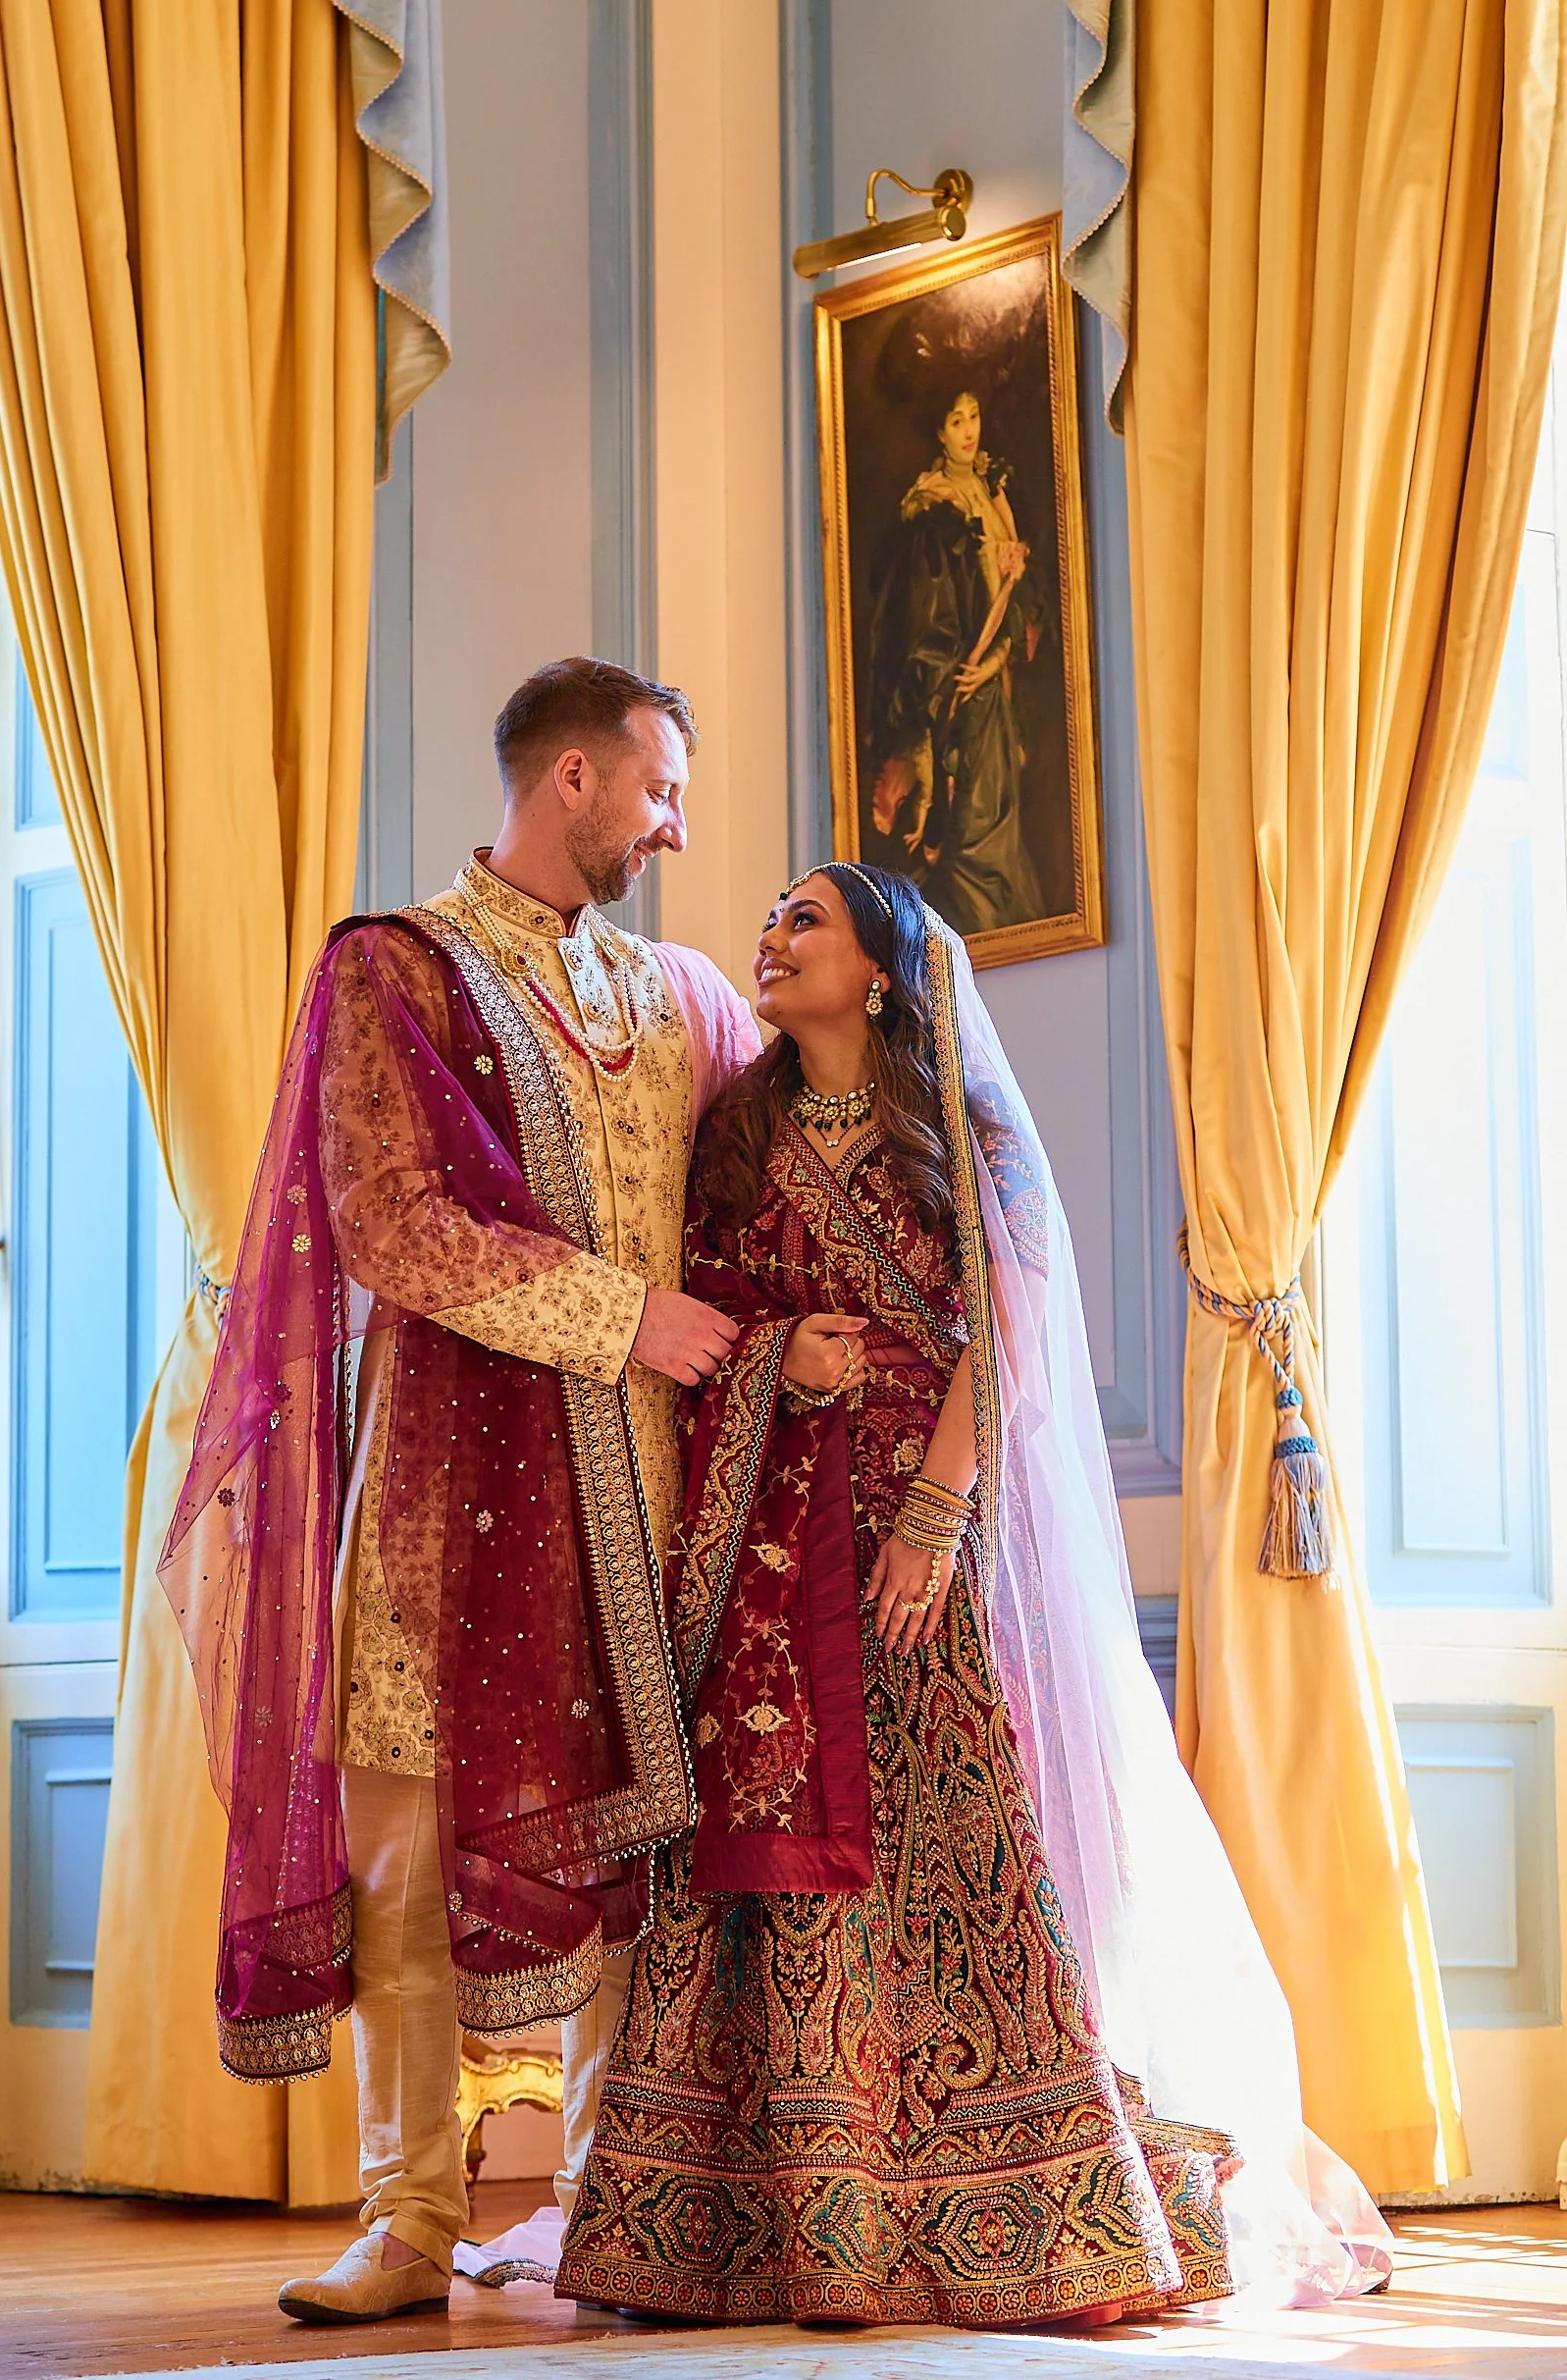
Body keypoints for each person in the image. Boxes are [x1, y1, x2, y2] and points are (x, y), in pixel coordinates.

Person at [556, 864, 1391, 2329]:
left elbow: (1002, 1342)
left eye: (804, 920)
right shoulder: (736, 1134)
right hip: (763, 1551)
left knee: (942, 1862)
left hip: (913, 1555)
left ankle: (1005, 2199)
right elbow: (713, 1318)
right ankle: (781, 2218)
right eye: (771, 918)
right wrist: (776, 1365)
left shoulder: (963, 1134)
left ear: (880, 970)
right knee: (765, 1866)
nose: (772, 936)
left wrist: (936, 1521)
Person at [158, 657, 761, 2326]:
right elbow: (393, 1227)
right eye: (658, 787)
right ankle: (409, 2218)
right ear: (570, 778)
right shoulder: (394, 973)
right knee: (407, 1853)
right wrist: (626, 1316)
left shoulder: (685, 996)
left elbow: (785, 1168)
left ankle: (607, 2203)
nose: (675, 821)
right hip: (445, 1486)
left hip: (646, 1490)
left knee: (636, 1844)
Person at [865, 392, 1045, 932]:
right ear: (938, 432)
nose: (969, 430)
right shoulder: (933, 511)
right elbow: (930, 629)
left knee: (1000, 822)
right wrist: (964, 677)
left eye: (974, 416)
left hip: (996, 690)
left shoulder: (995, 493)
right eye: (955, 420)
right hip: (965, 701)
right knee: (973, 830)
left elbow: (1026, 607)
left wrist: (998, 660)